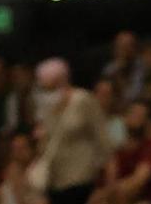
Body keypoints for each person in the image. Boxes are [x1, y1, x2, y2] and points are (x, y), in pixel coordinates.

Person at [35, 58, 111, 204]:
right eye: (44, 89)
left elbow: (104, 142)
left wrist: (106, 187)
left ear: (63, 81)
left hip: (83, 180)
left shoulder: (83, 100)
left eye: (50, 88)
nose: (47, 93)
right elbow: (44, 146)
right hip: (55, 182)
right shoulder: (46, 108)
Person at [107, 102, 151, 204]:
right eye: (134, 114)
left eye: (142, 116)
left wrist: (110, 193)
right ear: (124, 118)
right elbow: (109, 181)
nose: (137, 118)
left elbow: (137, 182)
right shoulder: (117, 150)